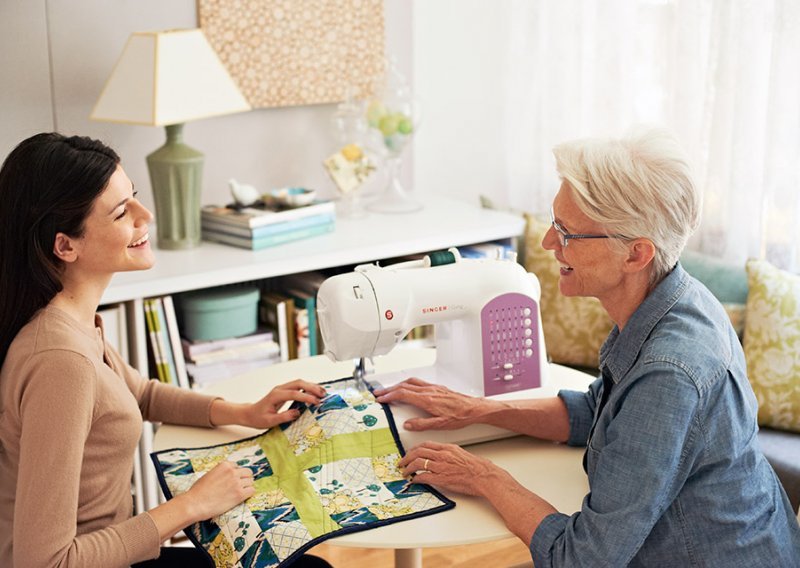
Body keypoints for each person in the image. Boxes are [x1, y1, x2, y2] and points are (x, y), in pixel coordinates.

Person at [375, 127, 800, 566]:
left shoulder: (669, 373)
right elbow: (599, 413)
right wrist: (482, 410)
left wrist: (484, 476)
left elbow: (582, 559)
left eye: (567, 233)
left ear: (636, 254)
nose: (546, 243)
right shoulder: (675, 300)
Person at [0, 133, 332, 568]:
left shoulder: (71, 321)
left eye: (133, 197)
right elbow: (44, 562)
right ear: (66, 245)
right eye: (122, 212)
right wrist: (193, 505)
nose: (146, 215)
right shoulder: (61, 363)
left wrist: (243, 412)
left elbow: (140, 394)